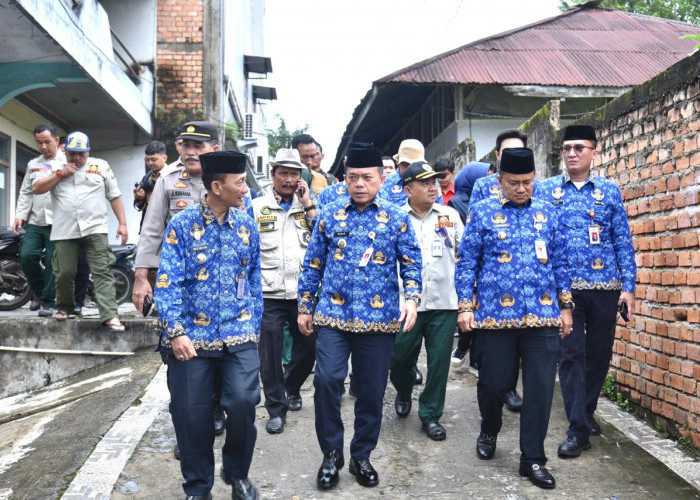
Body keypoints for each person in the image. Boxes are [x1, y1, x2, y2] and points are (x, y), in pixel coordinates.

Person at [297, 147, 421, 490]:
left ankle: (361, 455)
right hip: (333, 316)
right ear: (345, 179)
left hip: (378, 321)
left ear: (382, 179)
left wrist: (411, 299)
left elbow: (411, 263)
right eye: (353, 177)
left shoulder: (397, 218)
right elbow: (313, 265)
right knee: (326, 382)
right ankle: (331, 454)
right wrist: (305, 307)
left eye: (367, 177)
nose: (360, 184)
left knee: (371, 391)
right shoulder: (329, 215)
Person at [456, 147, 573, 489]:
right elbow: (467, 264)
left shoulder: (550, 214)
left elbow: (561, 263)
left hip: (542, 316)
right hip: (494, 318)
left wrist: (566, 307)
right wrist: (465, 306)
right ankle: (489, 429)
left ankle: (532, 459)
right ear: (499, 181)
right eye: (514, 183)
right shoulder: (481, 212)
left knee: (538, 390)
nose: (521, 189)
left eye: (527, 182)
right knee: (493, 384)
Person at [155, 151, 261, 500]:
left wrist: (254, 322)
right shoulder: (182, 226)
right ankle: (198, 487)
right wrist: (176, 332)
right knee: (191, 414)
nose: (245, 189)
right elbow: (167, 283)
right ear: (217, 186)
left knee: (245, 402)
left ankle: (237, 474)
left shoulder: (247, 224)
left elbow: (254, 277)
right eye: (240, 182)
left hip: (239, 332)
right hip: (192, 338)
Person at [535, 125, 636, 458]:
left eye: (579, 147)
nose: (572, 153)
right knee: (571, 355)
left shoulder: (608, 191)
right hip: (564, 290)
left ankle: (584, 410)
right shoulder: (546, 190)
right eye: (566, 148)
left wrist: (629, 288)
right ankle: (578, 430)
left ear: (594, 152)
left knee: (599, 355)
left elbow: (622, 240)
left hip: (605, 287)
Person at [131, 121, 227, 453]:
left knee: (219, 355)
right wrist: (142, 277)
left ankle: (215, 405)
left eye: (197, 146)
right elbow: (152, 230)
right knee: (177, 357)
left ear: (214, 148)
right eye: (184, 144)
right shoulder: (169, 181)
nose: (188, 151)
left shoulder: (231, 179)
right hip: (178, 289)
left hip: (220, 289)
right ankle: (187, 429)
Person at [390, 161, 464, 441]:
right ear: (408, 189)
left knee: (439, 363)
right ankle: (404, 388)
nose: (433, 187)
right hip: (404, 305)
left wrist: (467, 299)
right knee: (398, 357)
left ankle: (430, 414)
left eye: (435, 182)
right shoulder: (395, 218)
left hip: (444, 302)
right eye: (425, 183)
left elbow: (465, 255)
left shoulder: (450, 215)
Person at [32, 131, 127, 330]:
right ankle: (65, 307)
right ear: (64, 150)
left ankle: (110, 315)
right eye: (72, 153)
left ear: (88, 151)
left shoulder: (100, 166)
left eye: (81, 154)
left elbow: (114, 196)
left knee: (102, 270)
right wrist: (60, 173)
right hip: (65, 230)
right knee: (64, 272)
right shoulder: (53, 166)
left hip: (95, 228)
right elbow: (37, 188)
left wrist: (123, 224)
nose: (76, 158)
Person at [252, 148, 317, 434]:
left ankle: (291, 386)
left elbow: (323, 242)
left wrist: (308, 205)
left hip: (303, 294)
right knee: (270, 354)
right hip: (269, 293)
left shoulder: (310, 207)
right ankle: (275, 408)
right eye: (284, 174)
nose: (290, 180)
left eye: (294, 174)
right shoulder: (256, 208)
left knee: (310, 348)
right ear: (273, 175)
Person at [467, 129, 530, 413]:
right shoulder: (483, 188)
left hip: (525, 289)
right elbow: (472, 245)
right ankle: (494, 394)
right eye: (508, 152)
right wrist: (473, 291)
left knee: (517, 349)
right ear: (497, 156)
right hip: (491, 287)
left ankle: (510, 387)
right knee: (491, 357)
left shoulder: (531, 189)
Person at [13, 123, 65, 317]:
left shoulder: (66, 161)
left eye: (47, 142)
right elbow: (26, 192)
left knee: (53, 262)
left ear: (56, 140)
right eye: (39, 143)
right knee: (26, 256)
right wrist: (20, 215)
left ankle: (48, 303)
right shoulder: (33, 164)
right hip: (36, 220)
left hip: (58, 221)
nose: (43, 147)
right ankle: (40, 292)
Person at [448, 161, 494, 367]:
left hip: (490, 263)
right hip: (467, 260)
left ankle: (474, 355)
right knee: (469, 310)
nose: (490, 181)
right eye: (486, 176)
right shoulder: (456, 204)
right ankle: (465, 349)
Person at [133, 140, 169, 227]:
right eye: (147, 160)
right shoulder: (146, 177)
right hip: (149, 225)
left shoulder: (173, 175)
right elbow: (142, 208)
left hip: (168, 224)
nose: (150, 163)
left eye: (153, 159)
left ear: (164, 158)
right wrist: (139, 199)